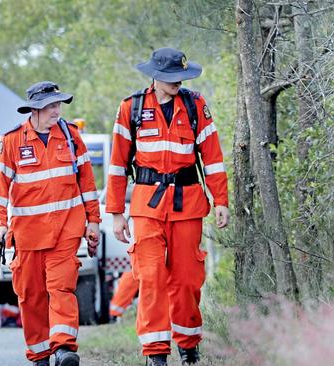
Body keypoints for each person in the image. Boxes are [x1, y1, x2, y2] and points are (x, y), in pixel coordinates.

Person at [106, 47, 230, 366]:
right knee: (149, 275)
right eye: (172, 77)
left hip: (188, 203)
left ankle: (188, 344)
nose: (178, 82)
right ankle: (155, 352)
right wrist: (116, 213)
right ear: (156, 77)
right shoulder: (131, 107)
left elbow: (213, 158)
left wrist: (221, 201)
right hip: (146, 206)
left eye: (182, 77)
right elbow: (118, 164)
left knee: (187, 279)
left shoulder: (195, 105)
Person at [0, 81, 101, 366]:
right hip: (27, 235)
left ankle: (64, 348)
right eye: (52, 106)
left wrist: (93, 222)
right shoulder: (12, 141)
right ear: (35, 109)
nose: (57, 111)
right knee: (31, 296)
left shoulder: (72, 137)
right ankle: (40, 355)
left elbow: (87, 184)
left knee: (61, 288)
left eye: (58, 105)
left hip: (66, 230)